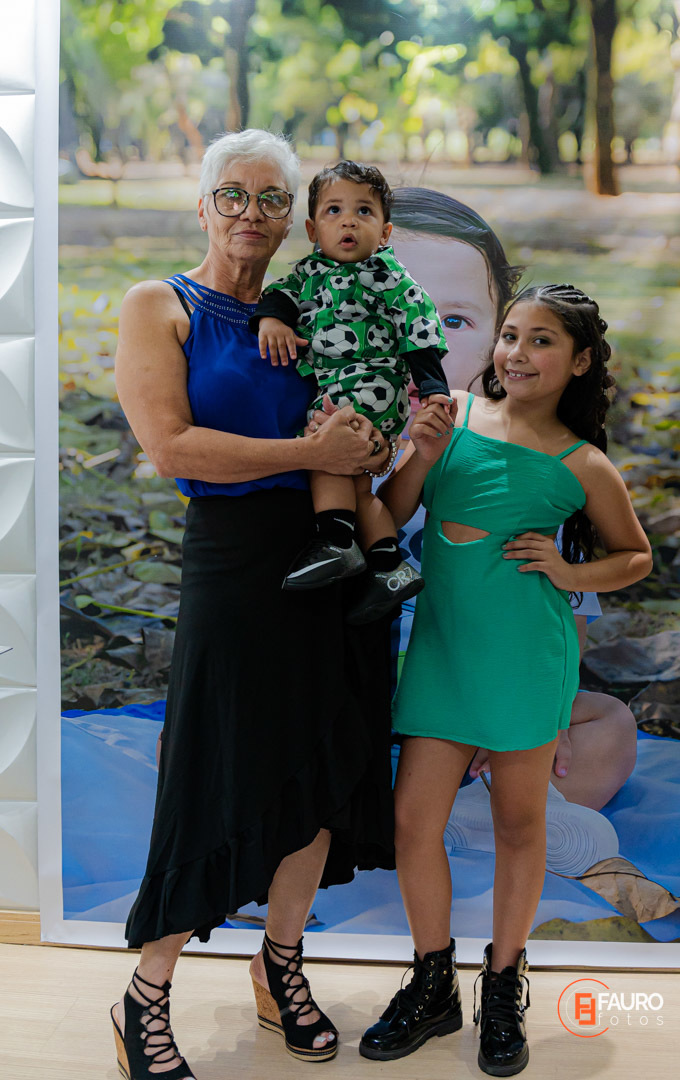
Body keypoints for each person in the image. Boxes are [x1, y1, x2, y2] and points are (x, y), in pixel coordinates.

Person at [110, 129, 396, 1080]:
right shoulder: (159, 305)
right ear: (203, 206)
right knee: (215, 767)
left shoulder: (320, 301)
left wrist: (378, 443)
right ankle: (145, 994)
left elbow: (361, 416)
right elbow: (171, 447)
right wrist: (310, 453)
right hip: (234, 560)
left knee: (320, 763)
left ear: (292, 221)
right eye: (232, 194)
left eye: (272, 199)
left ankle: (281, 964)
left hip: (331, 553)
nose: (251, 213)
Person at [359, 284, 652, 1075]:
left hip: (525, 658)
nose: (517, 353)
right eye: (510, 335)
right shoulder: (451, 415)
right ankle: (431, 983)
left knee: (520, 826)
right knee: (412, 822)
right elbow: (389, 512)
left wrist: (568, 569)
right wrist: (421, 455)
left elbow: (634, 555)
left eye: (541, 340)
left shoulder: (581, 462)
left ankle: (501, 984)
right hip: (442, 653)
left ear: (579, 362)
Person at [251, 162, 452, 624]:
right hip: (340, 384)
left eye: (364, 211)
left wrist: (433, 387)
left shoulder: (389, 275)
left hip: (372, 382)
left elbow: (419, 326)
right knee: (359, 486)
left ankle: (336, 542)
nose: (349, 222)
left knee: (327, 453)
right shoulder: (309, 273)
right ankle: (388, 565)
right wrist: (272, 320)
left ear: (385, 232)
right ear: (312, 230)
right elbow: (280, 295)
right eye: (334, 211)